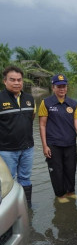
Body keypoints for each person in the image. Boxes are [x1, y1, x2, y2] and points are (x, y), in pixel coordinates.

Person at [39, 74, 77, 202]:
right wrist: (44, 146)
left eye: (64, 86)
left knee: (70, 169)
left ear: (67, 88)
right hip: (53, 144)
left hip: (70, 143)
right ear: (53, 87)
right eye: (59, 86)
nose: (62, 89)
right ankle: (60, 195)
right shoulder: (46, 103)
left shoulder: (73, 104)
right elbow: (42, 125)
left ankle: (70, 192)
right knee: (57, 171)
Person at [0, 66, 35, 208]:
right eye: (12, 80)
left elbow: (31, 119)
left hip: (28, 148)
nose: (16, 83)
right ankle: (10, 210)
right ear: (5, 81)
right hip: (7, 150)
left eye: (19, 80)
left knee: (25, 178)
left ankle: (26, 207)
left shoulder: (29, 99)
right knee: (7, 182)